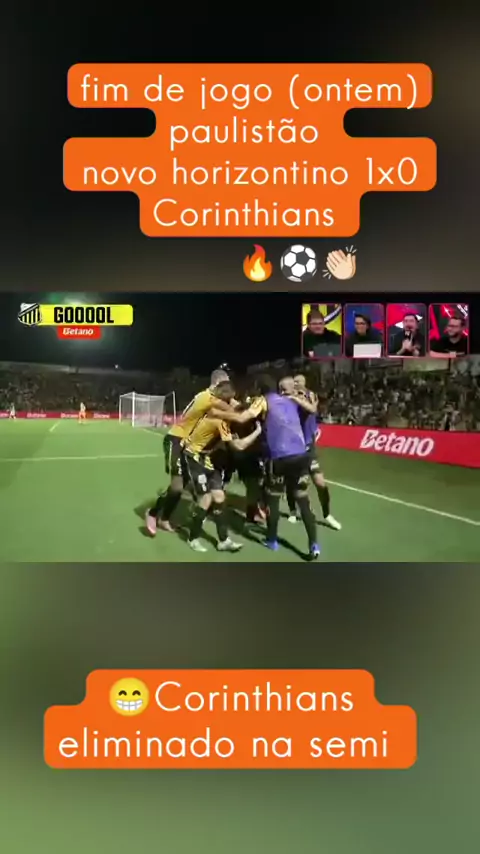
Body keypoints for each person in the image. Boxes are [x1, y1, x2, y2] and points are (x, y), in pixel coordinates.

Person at [145, 369, 237, 535]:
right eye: (226, 384)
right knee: (177, 486)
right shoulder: (208, 398)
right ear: (217, 383)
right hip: (176, 439)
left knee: (182, 484)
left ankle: (164, 519)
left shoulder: (212, 398)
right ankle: (152, 513)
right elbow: (235, 411)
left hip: (189, 445)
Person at [181, 380, 262, 553]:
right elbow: (238, 446)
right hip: (194, 457)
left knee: (219, 497)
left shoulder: (216, 410)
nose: (232, 403)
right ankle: (193, 538)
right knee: (206, 498)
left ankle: (223, 540)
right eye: (230, 400)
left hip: (207, 459)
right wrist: (257, 432)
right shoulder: (220, 420)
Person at [244, 376, 320, 560]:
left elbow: (248, 414)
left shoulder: (268, 401)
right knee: (303, 500)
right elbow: (313, 409)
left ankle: (272, 540)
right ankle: (314, 545)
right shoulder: (296, 402)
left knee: (273, 499)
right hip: (300, 456)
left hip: (278, 457)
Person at [284, 375, 341, 531]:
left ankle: (327, 514)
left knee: (320, 483)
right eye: (294, 382)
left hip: (309, 447)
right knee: (293, 482)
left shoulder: (310, 396)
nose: (296, 384)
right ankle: (293, 511)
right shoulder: (288, 400)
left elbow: (312, 409)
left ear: (304, 383)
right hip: (293, 447)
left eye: (299, 382)